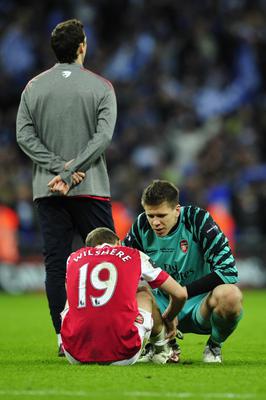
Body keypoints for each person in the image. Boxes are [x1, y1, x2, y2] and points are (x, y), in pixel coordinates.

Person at [16, 19, 117, 355]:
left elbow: (24, 135)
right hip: (92, 187)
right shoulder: (101, 86)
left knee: (56, 264)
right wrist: (74, 168)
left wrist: (58, 168)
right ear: (81, 47)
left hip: (48, 189)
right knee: (108, 258)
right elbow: (103, 136)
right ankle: (112, 330)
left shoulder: (33, 87)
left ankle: (63, 338)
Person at [123, 180, 243, 363]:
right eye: (150, 215)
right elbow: (123, 270)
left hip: (200, 305)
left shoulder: (198, 220)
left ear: (177, 210)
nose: (155, 222)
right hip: (161, 306)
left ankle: (214, 346)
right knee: (130, 291)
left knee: (231, 295)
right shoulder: (141, 226)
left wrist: (180, 297)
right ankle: (159, 345)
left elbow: (228, 271)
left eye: (162, 215)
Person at [60, 227, 187, 365]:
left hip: (74, 354)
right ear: (119, 243)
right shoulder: (134, 255)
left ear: (88, 248)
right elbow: (180, 294)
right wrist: (170, 317)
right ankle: (162, 349)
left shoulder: (73, 258)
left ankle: (64, 342)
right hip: (124, 354)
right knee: (144, 292)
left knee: (72, 298)